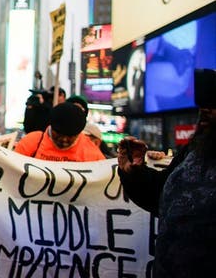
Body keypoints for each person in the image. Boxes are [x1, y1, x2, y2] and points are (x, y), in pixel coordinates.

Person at [117, 68, 216, 277]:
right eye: (202, 106)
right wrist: (135, 172)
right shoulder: (193, 150)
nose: (204, 112)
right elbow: (160, 195)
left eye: (213, 105)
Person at [14, 102, 105, 162]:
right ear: (51, 127)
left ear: (79, 133)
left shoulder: (92, 153)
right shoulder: (31, 142)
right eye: (58, 133)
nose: (64, 139)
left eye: (70, 136)